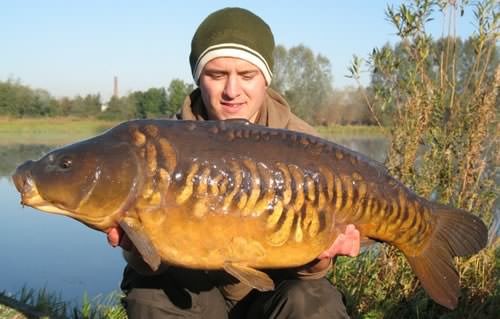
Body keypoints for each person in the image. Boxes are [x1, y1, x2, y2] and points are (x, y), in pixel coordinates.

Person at [107, 7, 361, 319]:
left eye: (246, 75)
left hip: (272, 292)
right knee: (148, 293)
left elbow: (311, 274)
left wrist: (319, 258)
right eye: (216, 75)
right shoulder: (162, 148)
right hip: (196, 293)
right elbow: (148, 264)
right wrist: (136, 251)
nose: (231, 91)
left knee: (311, 300)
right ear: (199, 77)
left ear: (265, 79)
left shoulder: (306, 148)